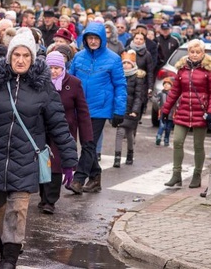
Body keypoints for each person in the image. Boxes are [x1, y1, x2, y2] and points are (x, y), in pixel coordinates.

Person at [0, 29, 78, 269]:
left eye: (26, 55)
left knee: (17, 212)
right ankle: (4, 253)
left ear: (33, 59)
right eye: (16, 55)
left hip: (26, 160)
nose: (20, 60)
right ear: (9, 57)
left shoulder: (44, 89)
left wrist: (70, 160)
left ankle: (9, 262)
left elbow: (59, 126)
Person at [67, 22, 126, 194]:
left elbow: (120, 85)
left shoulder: (113, 59)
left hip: (100, 107)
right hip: (80, 107)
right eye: (89, 38)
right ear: (85, 39)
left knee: (88, 143)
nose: (92, 41)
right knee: (87, 144)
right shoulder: (78, 57)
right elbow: (70, 80)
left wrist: (119, 110)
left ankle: (78, 179)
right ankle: (95, 177)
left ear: (102, 39)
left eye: (95, 38)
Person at [161, 39, 211, 188]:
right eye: (192, 52)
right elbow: (174, 91)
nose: (194, 55)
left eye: (197, 52)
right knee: (177, 141)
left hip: (201, 112)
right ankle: (176, 174)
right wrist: (166, 109)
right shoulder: (182, 69)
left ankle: (197, 175)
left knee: (198, 146)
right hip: (183, 110)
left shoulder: (209, 70)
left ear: (203, 53)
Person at [40, 51, 91, 212]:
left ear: (63, 68)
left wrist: (87, 135)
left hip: (64, 131)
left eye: (57, 68)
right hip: (42, 129)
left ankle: (50, 201)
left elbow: (82, 111)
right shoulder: (40, 83)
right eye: (50, 68)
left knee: (56, 165)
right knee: (42, 163)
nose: (53, 71)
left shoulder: (74, 83)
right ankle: (43, 197)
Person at [114, 51, 145, 167]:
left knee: (129, 134)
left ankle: (130, 154)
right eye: (124, 63)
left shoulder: (137, 78)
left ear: (133, 64)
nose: (126, 65)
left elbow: (138, 97)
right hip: (121, 109)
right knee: (120, 132)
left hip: (132, 110)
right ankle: (117, 157)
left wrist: (135, 111)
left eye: (128, 63)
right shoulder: (118, 75)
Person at [155, 78, 174, 146]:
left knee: (168, 128)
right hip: (162, 113)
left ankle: (166, 139)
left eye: (168, 84)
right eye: (165, 84)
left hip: (171, 114)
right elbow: (156, 101)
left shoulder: (173, 94)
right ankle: (159, 136)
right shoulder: (160, 93)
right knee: (162, 126)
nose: (166, 85)